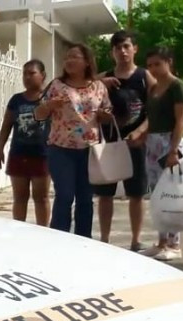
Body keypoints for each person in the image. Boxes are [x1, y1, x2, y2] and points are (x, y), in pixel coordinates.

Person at [34, 42, 114, 237]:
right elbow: (38, 114)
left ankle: (83, 240)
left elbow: (108, 111)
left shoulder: (99, 87)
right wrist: (50, 105)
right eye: (67, 57)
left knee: (85, 199)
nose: (68, 61)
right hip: (61, 150)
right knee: (65, 196)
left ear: (87, 62)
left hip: (90, 150)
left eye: (74, 57)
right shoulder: (56, 85)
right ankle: (59, 239)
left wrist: (105, 115)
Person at [94, 30, 152, 250]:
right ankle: (105, 240)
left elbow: (155, 109)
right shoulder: (103, 78)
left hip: (136, 144)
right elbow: (85, 104)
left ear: (135, 49)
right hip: (107, 143)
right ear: (112, 52)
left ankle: (135, 240)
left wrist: (142, 131)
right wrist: (100, 88)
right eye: (118, 48)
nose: (123, 51)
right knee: (104, 195)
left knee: (136, 194)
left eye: (127, 46)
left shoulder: (144, 77)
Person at [140, 47, 183, 262]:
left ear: (168, 62)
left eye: (157, 64)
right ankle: (161, 241)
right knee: (157, 194)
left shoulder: (177, 87)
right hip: (152, 142)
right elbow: (151, 118)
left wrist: (173, 150)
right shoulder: (153, 88)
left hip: (169, 142)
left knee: (172, 193)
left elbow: (180, 121)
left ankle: (174, 243)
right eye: (150, 65)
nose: (154, 69)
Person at [0, 59, 49, 225]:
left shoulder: (50, 99)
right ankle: (19, 230)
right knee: (20, 197)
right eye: (24, 74)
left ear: (43, 75)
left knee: (41, 197)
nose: (27, 77)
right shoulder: (17, 100)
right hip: (19, 154)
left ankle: (43, 232)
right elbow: (6, 126)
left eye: (32, 73)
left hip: (43, 155)